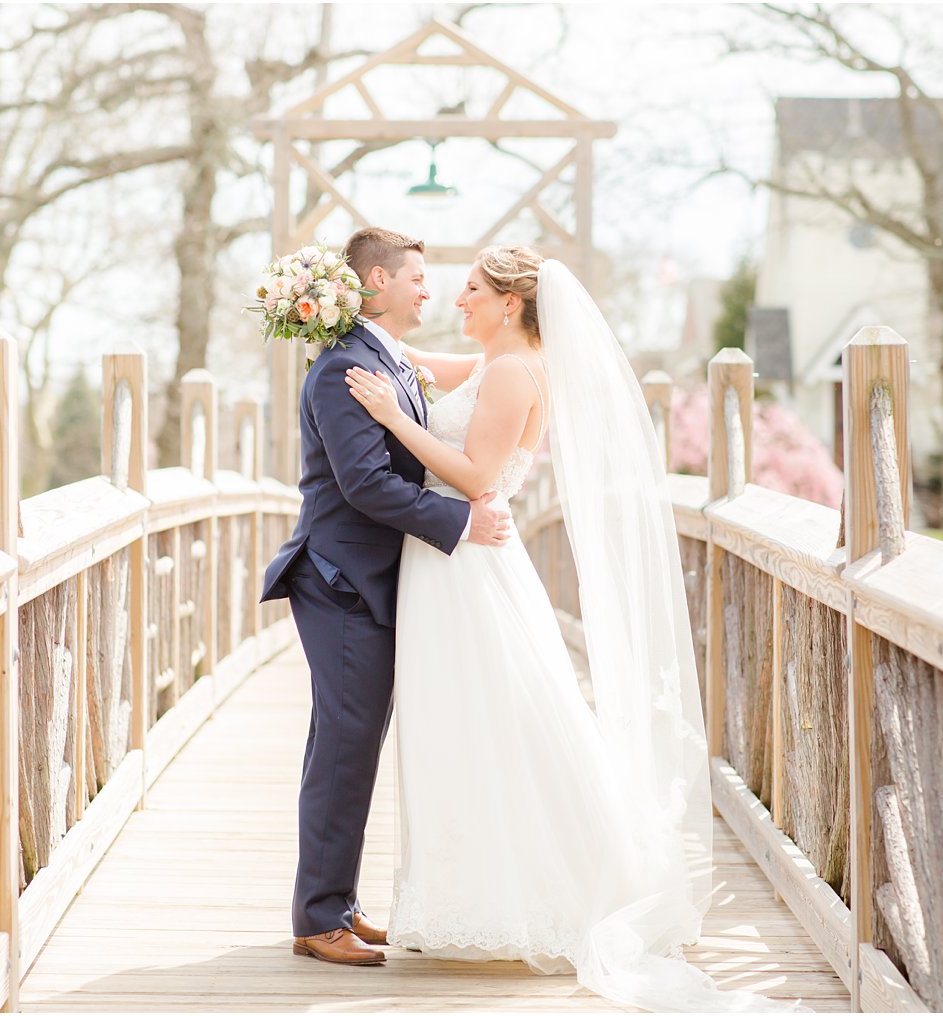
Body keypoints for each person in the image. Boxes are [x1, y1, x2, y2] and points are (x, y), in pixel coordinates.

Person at [342, 246, 807, 1011]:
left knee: (494, 721)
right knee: (464, 724)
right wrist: (341, 322)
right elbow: (413, 357)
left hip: (466, 567)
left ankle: (541, 890)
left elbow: (476, 478)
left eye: (473, 294)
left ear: (512, 304)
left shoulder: (515, 373)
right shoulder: (496, 363)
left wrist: (391, 416)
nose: (460, 304)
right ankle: (476, 890)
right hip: (449, 564)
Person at [260, 227, 513, 967]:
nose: (428, 291)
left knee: (353, 747)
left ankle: (335, 902)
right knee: (343, 750)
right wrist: (463, 521)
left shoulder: (386, 357)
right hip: (340, 581)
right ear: (375, 282)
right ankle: (317, 917)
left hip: (369, 581)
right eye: (416, 279)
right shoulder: (342, 368)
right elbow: (365, 485)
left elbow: (492, 371)